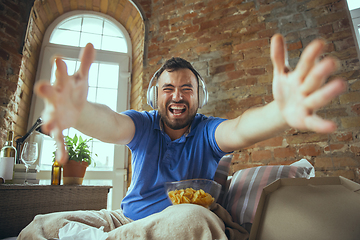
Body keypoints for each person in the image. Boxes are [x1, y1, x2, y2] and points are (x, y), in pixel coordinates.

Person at [18, 34, 346, 239]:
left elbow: (241, 127)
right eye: (169, 89)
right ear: (155, 97)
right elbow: (112, 124)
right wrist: (80, 112)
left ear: (198, 98)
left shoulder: (206, 131)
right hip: (122, 219)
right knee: (40, 225)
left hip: (173, 226)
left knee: (193, 219)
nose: (177, 96)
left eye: (186, 89)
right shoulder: (144, 125)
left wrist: (279, 112)